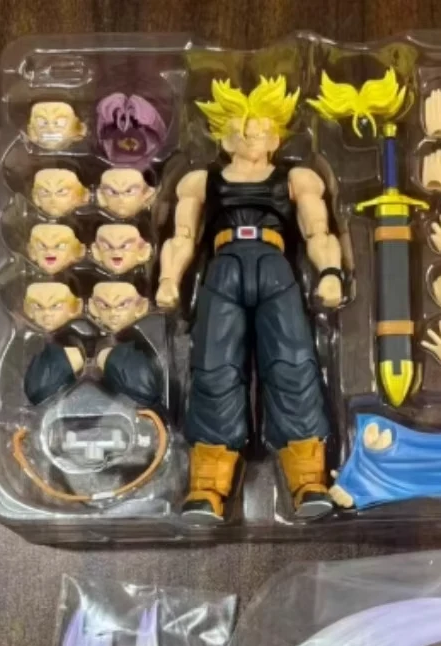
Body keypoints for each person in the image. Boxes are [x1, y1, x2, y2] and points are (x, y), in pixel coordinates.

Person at [155, 76, 344, 522]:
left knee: (293, 363)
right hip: (223, 268)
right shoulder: (201, 181)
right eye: (244, 129)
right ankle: (206, 488)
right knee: (214, 367)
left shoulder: (296, 177)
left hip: (275, 267)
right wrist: (168, 279)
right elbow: (182, 236)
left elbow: (318, 231)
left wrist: (330, 272)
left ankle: (309, 481)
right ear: (226, 138)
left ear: (276, 138)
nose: (253, 136)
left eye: (262, 130)